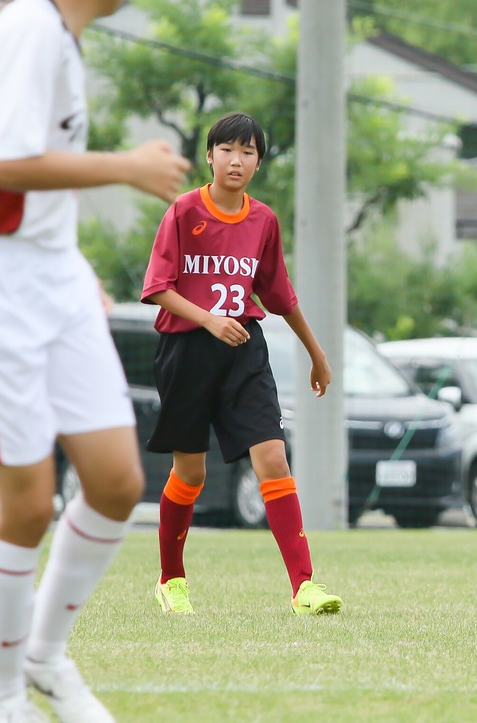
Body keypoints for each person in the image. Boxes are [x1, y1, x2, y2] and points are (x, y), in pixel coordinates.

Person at [0, 0, 192, 720]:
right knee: (24, 505)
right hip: (11, 284)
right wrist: (127, 167)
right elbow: (7, 163)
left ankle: (44, 659)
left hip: (55, 278)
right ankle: (6, 692)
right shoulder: (29, 28)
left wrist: (72, 267)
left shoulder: (59, 35)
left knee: (116, 482)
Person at [141, 111, 342, 617]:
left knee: (273, 458)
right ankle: (171, 580)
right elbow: (157, 289)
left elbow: (280, 296)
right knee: (190, 474)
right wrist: (208, 319)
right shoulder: (184, 211)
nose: (236, 160)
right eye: (227, 149)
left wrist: (317, 353)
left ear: (257, 163)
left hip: (244, 350)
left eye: (248, 152)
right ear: (210, 156)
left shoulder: (263, 220)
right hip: (186, 351)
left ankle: (304, 587)